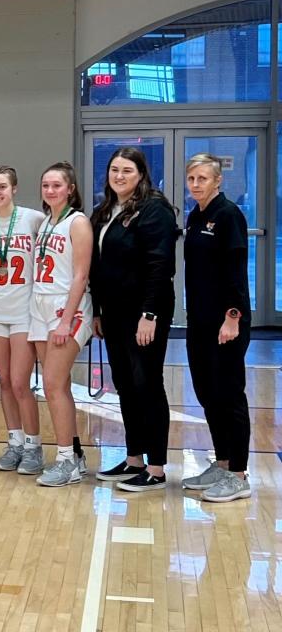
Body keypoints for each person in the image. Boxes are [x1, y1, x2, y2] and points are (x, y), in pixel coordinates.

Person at [90, 148, 177, 492]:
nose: (119, 176)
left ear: (141, 174)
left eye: (127, 170)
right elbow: (99, 267)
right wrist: (97, 310)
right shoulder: (105, 210)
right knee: (125, 385)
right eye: (114, 169)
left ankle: (155, 468)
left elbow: (160, 265)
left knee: (148, 385)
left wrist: (150, 314)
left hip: (144, 314)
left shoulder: (154, 209)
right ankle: (134, 459)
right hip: (113, 313)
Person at [182, 153, 252, 503]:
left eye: (202, 179)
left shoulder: (228, 215)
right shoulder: (196, 215)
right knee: (207, 394)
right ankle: (222, 462)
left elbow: (236, 270)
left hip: (227, 322)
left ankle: (238, 474)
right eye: (191, 178)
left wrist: (232, 316)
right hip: (199, 321)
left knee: (229, 395)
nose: (196, 184)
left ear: (217, 181)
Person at [0, 166, 46, 475]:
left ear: (14, 189)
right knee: (5, 382)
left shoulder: (33, 219)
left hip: (23, 311)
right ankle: (15, 441)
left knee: (20, 383)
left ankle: (34, 446)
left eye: (3, 186)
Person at [29, 162, 93, 487]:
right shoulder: (46, 223)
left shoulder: (77, 222)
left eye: (57, 185)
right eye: (46, 185)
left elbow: (81, 275)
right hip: (40, 305)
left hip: (66, 309)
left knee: (52, 384)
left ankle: (66, 460)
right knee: (59, 385)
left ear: (70, 189)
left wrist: (66, 321)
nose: (51, 190)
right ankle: (76, 455)